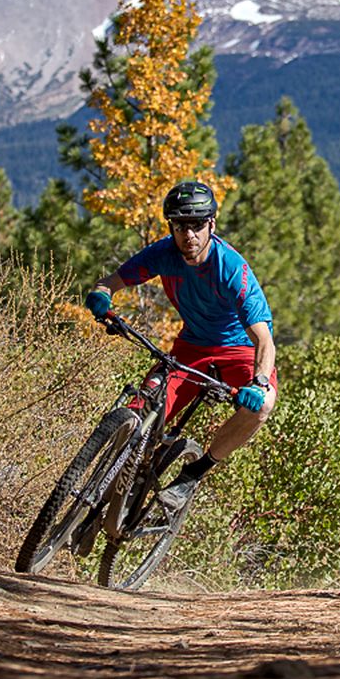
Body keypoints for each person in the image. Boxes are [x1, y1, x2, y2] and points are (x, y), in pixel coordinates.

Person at [84, 180, 276, 513]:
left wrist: (259, 384)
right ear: (171, 227)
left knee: (262, 407)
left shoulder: (231, 268)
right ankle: (117, 481)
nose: (189, 235)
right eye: (180, 226)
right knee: (140, 410)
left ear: (211, 224)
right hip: (192, 347)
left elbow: (264, 340)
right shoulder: (163, 254)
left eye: (197, 225)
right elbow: (111, 282)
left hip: (239, 349)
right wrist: (101, 295)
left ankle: (194, 472)